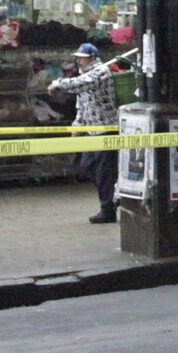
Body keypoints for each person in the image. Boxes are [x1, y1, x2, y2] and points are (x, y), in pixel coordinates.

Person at [49, 42, 131, 224]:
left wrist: (58, 83)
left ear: (92, 58)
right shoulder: (84, 74)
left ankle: (108, 207)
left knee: (103, 172)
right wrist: (77, 128)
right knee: (88, 166)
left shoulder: (100, 72)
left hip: (105, 129)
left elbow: (81, 85)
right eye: (77, 57)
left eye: (81, 58)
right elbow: (82, 106)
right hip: (91, 131)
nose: (78, 61)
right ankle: (113, 196)